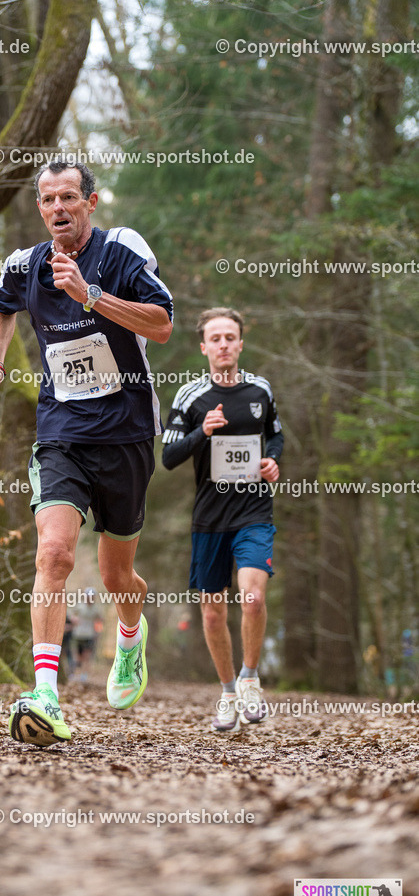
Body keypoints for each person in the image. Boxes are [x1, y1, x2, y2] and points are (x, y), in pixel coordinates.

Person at [0, 160, 173, 746]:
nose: (57, 207)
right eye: (46, 199)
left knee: (117, 577)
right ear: (39, 208)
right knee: (54, 553)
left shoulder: (121, 250)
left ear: (89, 201)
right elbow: (2, 305)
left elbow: (161, 325)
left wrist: (91, 296)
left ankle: (131, 637)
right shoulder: (25, 265)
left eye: (68, 197)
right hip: (61, 432)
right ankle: (45, 694)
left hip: (128, 434)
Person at [161, 307, 283, 731]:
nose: (224, 345)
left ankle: (251, 680)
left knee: (252, 598)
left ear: (241, 343)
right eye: (216, 339)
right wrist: (203, 433)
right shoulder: (189, 397)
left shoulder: (260, 389)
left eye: (230, 337)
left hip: (254, 511)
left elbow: (277, 433)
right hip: (210, 518)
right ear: (204, 347)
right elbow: (169, 456)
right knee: (212, 614)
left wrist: (272, 460)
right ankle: (228, 692)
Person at [70, 587, 102, 682]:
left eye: (92, 596)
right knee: (77, 656)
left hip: (90, 635)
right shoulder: (79, 606)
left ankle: (84, 675)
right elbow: (71, 615)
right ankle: (75, 673)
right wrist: (74, 619)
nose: (90, 598)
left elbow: (100, 621)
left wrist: (98, 631)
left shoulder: (96, 609)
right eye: (88, 596)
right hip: (78, 634)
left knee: (86, 656)